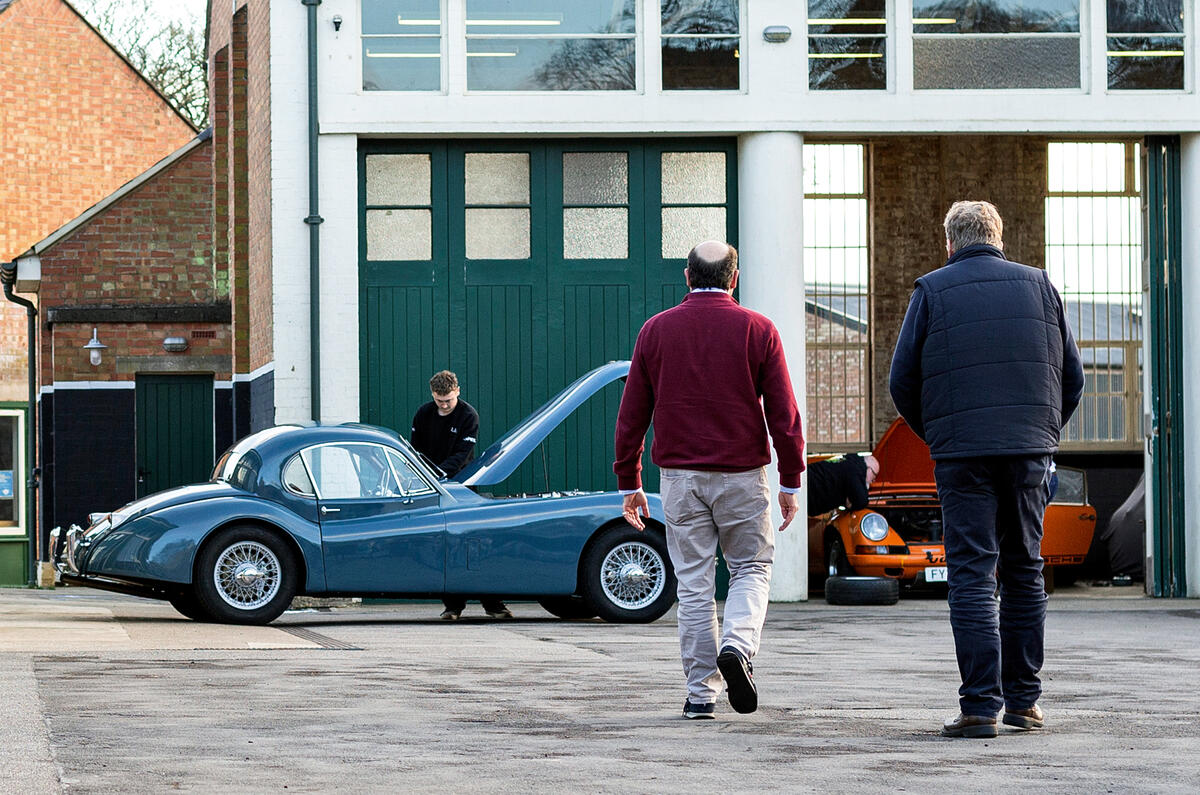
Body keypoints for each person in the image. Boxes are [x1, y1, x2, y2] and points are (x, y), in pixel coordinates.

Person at [888, 201, 1084, 739]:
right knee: (1024, 569)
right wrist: (1042, 436)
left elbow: (901, 381)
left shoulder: (931, 290)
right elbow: (1073, 378)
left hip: (962, 456)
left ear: (949, 243)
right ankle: (1024, 702)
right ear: (999, 237)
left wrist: (943, 434)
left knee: (972, 573)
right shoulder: (1041, 286)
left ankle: (979, 707)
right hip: (1028, 455)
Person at [613, 240, 806, 720]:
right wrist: (790, 481)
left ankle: (701, 695)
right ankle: (738, 646)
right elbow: (784, 414)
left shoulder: (655, 331)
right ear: (734, 278)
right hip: (743, 475)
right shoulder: (758, 330)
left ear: (686, 276)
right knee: (751, 567)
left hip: (680, 477)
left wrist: (629, 481)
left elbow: (632, 414)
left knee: (694, 582)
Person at [410, 370, 511, 621]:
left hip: (463, 487)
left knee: (475, 544)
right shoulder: (423, 414)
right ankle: (453, 606)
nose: (443, 405)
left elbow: (462, 453)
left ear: (458, 391)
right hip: (432, 486)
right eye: (438, 400)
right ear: (432, 395)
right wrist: (426, 478)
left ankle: (493, 604)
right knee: (446, 546)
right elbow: (415, 450)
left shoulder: (468, 415)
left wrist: (438, 474)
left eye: (448, 401)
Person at [806, 453, 879, 516]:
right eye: (874, 476)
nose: (873, 481)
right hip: (809, 492)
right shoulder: (856, 470)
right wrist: (849, 504)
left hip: (806, 476)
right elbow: (861, 501)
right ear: (869, 469)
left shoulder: (850, 460)